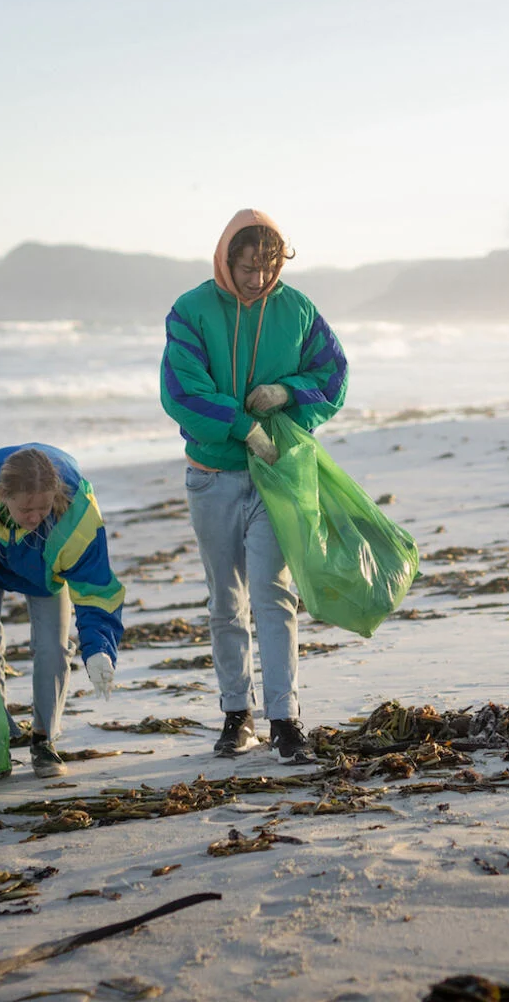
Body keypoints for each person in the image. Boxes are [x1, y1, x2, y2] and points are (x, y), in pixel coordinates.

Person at [160, 209, 348, 764]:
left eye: (268, 269)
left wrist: (287, 393)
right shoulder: (191, 311)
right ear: (226, 259)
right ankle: (236, 715)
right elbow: (181, 390)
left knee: (274, 595)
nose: (258, 280)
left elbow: (334, 376)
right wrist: (244, 427)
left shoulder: (297, 310)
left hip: (277, 478)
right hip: (213, 475)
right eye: (247, 269)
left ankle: (286, 720)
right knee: (226, 601)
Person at [0, 445, 123, 779]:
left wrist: (99, 649)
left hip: (45, 570)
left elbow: (95, 587)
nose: (35, 516)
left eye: (43, 506)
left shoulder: (77, 515)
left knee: (53, 649)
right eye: (26, 508)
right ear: (2, 494)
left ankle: (43, 740)